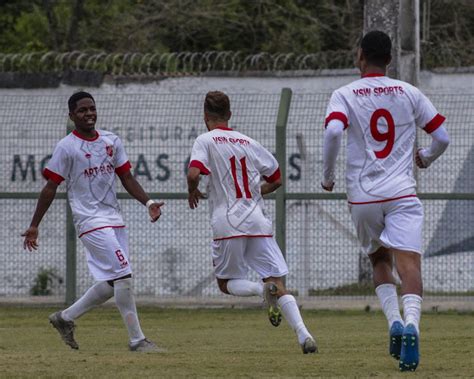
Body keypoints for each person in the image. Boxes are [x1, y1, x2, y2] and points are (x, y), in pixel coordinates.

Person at [321, 31, 449, 371]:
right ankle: (411, 326)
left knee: (379, 259)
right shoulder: (409, 93)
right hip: (402, 192)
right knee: (410, 266)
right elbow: (442, 137)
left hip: (363, 196)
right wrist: (426, 156)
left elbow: (334, 132)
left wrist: (328, 175)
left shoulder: (344, 94)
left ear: (360, 56)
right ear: (390, 60)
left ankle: (393, 321)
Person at [22, 91, 165, 353]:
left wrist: (148, 203)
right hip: (89, 221)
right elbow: (50, 187)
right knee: (123, 275)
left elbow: (127, 178)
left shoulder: (111, 141)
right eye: (82, 110)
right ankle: (138, 341)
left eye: (92, 109)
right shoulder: (66, 147)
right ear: (72, 115)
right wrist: (34, 225)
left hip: (114, 219)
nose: (89, 114)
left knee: (113, 282)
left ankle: (65, 318)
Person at [187, 91, 317, 354]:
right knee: (279, 283)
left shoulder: (205, 140)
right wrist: (256, 192)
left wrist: (192, 189)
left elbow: (193, 173)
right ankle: (304, 335)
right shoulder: (248, 142)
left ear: (205, 117)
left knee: (226, 284)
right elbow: (277, 177)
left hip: (228, 221)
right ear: (230, 115)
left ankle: (261, 290)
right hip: (257, 220)